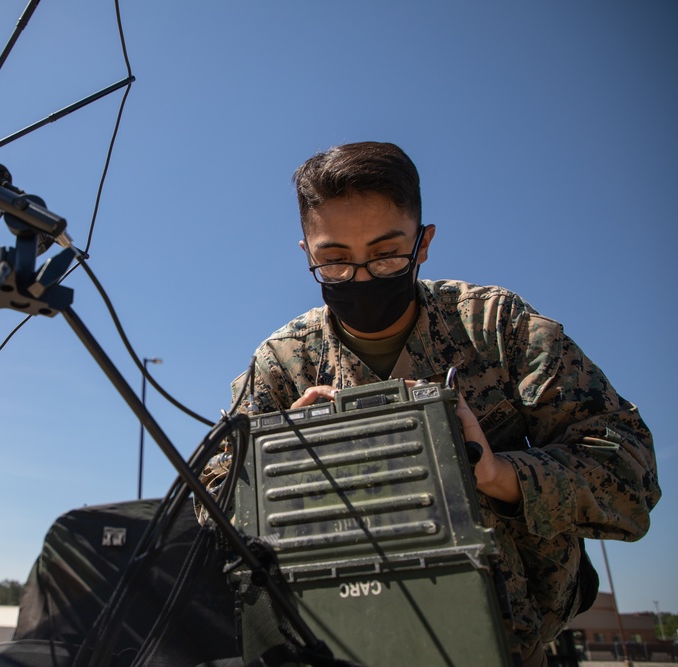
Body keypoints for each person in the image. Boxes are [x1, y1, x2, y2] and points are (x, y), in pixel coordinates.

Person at [199, 141, 660, 666]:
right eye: (334, 261)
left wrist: (494, 472)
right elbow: (212, 508)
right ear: (307, 254)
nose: (362, 276)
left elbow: (630, 471)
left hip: (506, 642)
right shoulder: (283, 363)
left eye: (387, 254)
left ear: (423, 244)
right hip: (336, 645)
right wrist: (282, 465)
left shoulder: (494, 327)